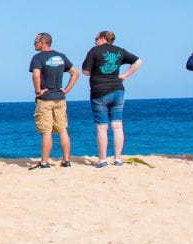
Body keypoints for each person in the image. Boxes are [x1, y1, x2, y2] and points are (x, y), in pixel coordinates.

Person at [81, 30, 143, 167]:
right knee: (117, 125)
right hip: (117, 90)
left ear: (103, 38)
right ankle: (117, 158)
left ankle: (103, 159)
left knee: (102, 127)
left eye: (96, 38)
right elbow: (138, 61)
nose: (95, 41)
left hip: (99, 91)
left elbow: (85, 71)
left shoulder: (94, 51)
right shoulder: (120, 51)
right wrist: (125, 75)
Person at [29, 32, 78, 169]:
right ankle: (66, 160)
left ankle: (44, 161)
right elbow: (75, 73)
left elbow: (36, 75)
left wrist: (38, 91)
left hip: (45, 98)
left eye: (35, 41)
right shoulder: (61, 57)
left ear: (43, 42)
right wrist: (66, 90)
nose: (34, 43)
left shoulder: (38, 57)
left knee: (46, 131)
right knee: (62, 129)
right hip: (59, 98)